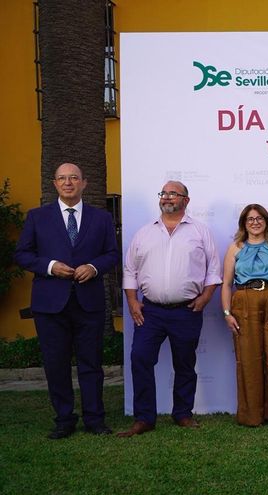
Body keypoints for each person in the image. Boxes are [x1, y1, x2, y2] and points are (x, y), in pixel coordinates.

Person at [14, 163, 119, 439]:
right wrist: (50, 266)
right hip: (50, 304)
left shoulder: (101, 218)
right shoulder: (37, 217)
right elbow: (22, 254)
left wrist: (93, 267)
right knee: (55, 363)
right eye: (62, 178)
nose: (68, 182)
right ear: (55, 184)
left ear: (84, 183)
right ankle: (64, 419)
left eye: (73, 178)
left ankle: (94, 419)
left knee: (91, 363)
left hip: (89, 303)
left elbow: (112, 254)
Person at [119, 180, 222, 437]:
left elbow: (213, 269)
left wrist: (205, 297)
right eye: (163, 193)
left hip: (186, 311)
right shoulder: (144, 233)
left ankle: (183, 413)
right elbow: (130, 270)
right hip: (150, 311)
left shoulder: (200, 231)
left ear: (186, 200)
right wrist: (132, 301)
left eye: (173, 194)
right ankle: (144, 418)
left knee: (185, 363)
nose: (166, 197)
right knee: (140, 358)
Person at [221, 204, 268, 428]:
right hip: (243, 302)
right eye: (250, 219)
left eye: (259, 218)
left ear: (266, 221)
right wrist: (227, 313)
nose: (255, 222)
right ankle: (252, 415)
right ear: (244, 223)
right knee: (248, 358)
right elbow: (226, 284)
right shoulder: (235, 247)